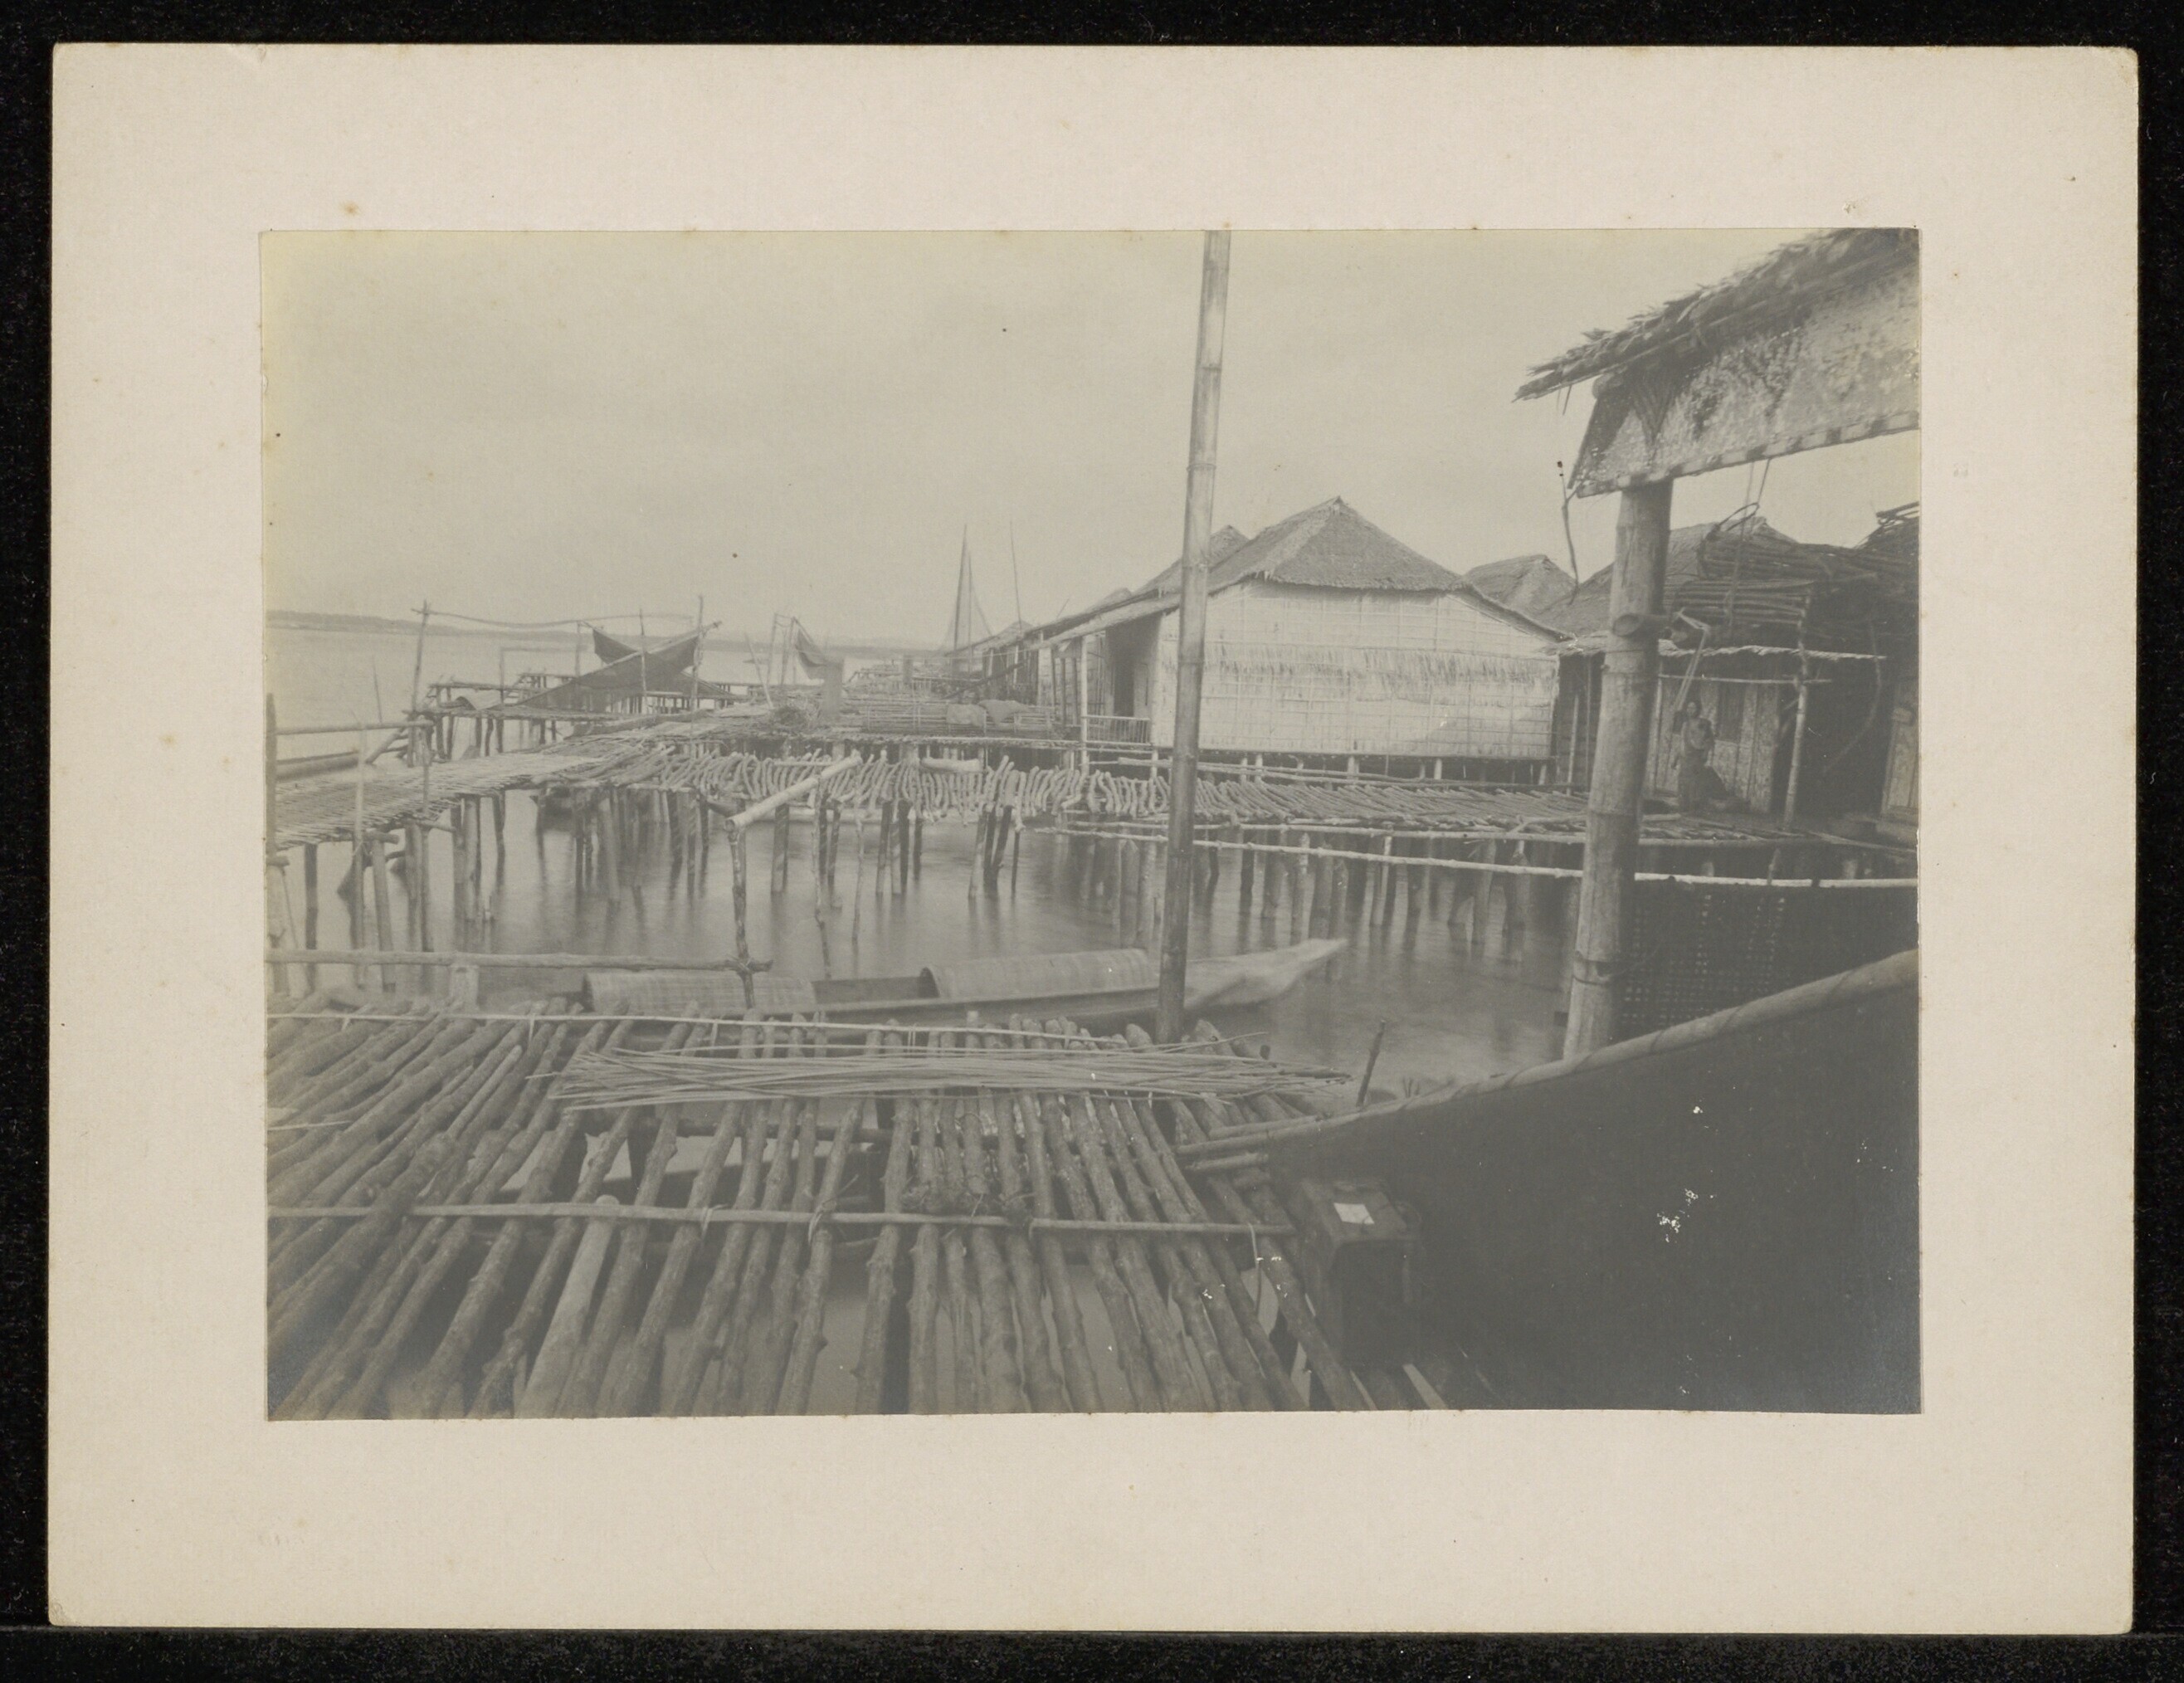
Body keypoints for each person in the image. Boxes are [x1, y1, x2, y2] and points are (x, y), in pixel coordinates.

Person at [1674, 700, 1721, 812]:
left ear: (1698, 710)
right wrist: (1675, 759)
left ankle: (1693, 808)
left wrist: (1705, 753)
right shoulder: (1685, 725)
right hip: (1685, 758)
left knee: (1695, 783)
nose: (1690, 711)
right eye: (1689, 708)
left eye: (1693, 708)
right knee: (1683, 782)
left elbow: (1709, 741)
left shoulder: (1703, 724)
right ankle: (1683, 807)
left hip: (1696, 757)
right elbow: (1682, 743)